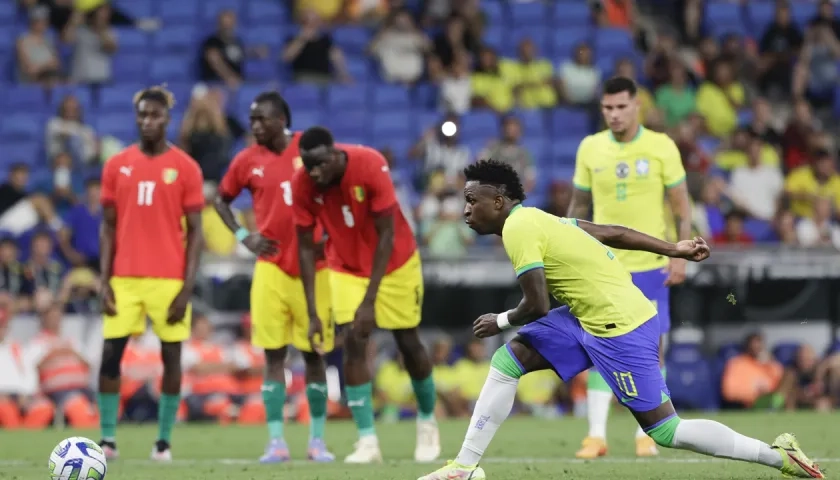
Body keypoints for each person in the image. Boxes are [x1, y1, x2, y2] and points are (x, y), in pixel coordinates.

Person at [418, 160, 825, 480]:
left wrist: (500, 319)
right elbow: (611, 232)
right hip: (587, 317)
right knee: (509, 362)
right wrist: (674, 248)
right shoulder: (541, 219)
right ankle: (464, 467)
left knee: (666, 432)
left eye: (473, 200)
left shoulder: (519, 229)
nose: (466, 209)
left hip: (620, 328)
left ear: (500, 201)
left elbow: (537, 305)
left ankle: (777, 457)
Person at [292, 127, 439, 464]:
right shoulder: (303, 184)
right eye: (306, 165)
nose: (313, 173)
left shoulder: (369, 164)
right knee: (353, 341)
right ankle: (367, 440)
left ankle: (428, 422)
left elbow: (387, 235)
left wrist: (369, 301)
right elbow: (303, 248)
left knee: (407, 340)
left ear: (333, 155)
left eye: (318, 165)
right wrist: (314, 311)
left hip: (396, 262)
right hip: (345, 265)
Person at [566, 75, 692, 458]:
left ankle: (648, 435)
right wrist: (565, 247)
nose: (614, 114)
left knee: (653, 350)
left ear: (637, 105)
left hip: (652, 266)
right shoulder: (590, 148)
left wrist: (679, 254)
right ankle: (596, 436)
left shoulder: (661, 146)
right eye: (608, 108)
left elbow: (681, 206)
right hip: (604, 267)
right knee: (597, 345)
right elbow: (578, 208)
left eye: (621, 107)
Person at [214, 92, 335, 463]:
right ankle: (276, 442)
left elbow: (336, 189)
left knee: (315, 354)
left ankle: (316, 441)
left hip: (315, 270)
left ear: (282, 119)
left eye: (261, 120)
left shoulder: (308, 148)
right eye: (251, 121)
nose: (254, 127)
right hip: (271, 269)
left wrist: (330, 234)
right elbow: (221, 200)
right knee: (273, 356)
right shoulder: (247, 160)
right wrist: (243, 236)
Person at [96, 86, 205, 461]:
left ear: (167, 119)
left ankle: (163, 442)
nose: (147, 121)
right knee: (111, 355)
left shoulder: (186, 167)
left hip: (169, 279)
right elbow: (108, 227)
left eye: (154, 115)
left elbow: (196, 234)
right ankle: (108, 440)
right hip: (124, 277)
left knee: (171, 358)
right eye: (142, 115)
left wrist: (187, 289)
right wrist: (103, 279)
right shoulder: (116, 165)